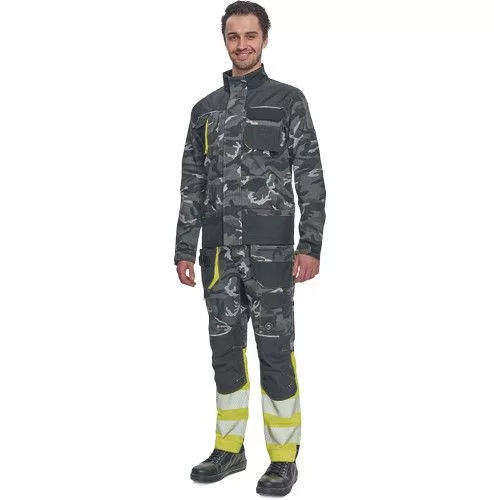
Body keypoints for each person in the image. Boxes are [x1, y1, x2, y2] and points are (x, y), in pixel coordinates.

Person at [174, 1, 326, 496]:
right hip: (218, 255)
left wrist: (310, 244)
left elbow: (310, 177)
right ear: (225, 40)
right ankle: (229, 449)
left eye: (250, 36)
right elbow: (192, 186)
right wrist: (184, 248)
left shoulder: (288, 101)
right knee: (225, 352)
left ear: (264, 39)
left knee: (276, 353)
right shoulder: (204, 111)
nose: (242, 45)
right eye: (233, 36)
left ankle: (283, 458)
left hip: (272, 255)